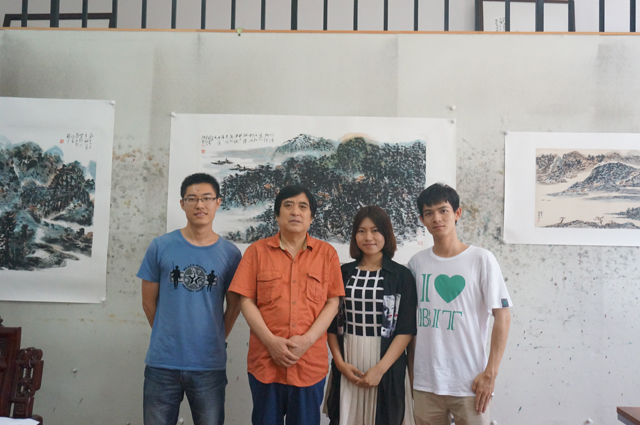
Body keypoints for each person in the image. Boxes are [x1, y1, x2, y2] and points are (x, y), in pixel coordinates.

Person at [228, 185, 344, 425]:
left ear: (311, 217)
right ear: (277, 214)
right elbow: (246, 300)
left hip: (309, 364)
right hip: (265, 363)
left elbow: (333, 302)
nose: (295, 212)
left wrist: (307, 340)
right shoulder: (256, 252)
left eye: (303, 207)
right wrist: (271, 342)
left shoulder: (327, 254)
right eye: (288, 205)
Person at [137, 173, 242, 425]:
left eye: (207, 198)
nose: (200, 205)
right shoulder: (160, 246)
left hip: (209, 365)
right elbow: (148, 303)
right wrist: (166, 333)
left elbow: (234, 306)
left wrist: (216, 336)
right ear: (182, 203)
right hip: (162, 363)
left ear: (218, 202)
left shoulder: (230, 254)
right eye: (192, 199)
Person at [407, 183, 512, 425]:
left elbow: (503, 316)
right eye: (429, 213)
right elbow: (411, 325)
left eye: (443, 210)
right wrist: (412, 374)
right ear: (422, 220)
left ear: (457, 213)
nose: (437, 218)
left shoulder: (481, 259)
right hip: (425, 384)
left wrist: (491, 373)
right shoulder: (416, 264)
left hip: (471, 383)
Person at [324, 206, 418, 425]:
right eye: (361, 231)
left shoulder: (401, 276)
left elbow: (405, 329)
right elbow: (332, 325)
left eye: (375, 230)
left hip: (386, 362)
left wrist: (380, 369)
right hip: (349, 359)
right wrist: (340, 364)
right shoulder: (342, 273)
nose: (368, 237)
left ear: (386, 233)